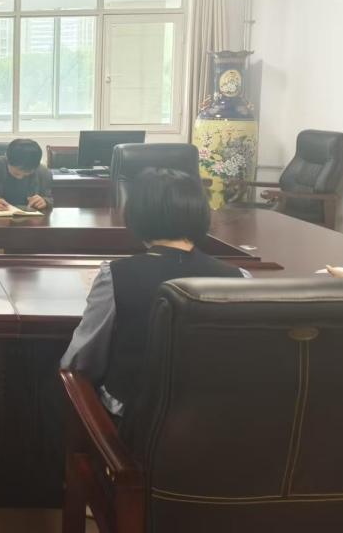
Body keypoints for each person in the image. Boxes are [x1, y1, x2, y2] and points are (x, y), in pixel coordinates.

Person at [60, 167, 247, 420]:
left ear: (136, 216)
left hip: (134, 421)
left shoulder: (115, 275)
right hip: (215, 422)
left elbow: (80, 361)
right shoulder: (239, 278)